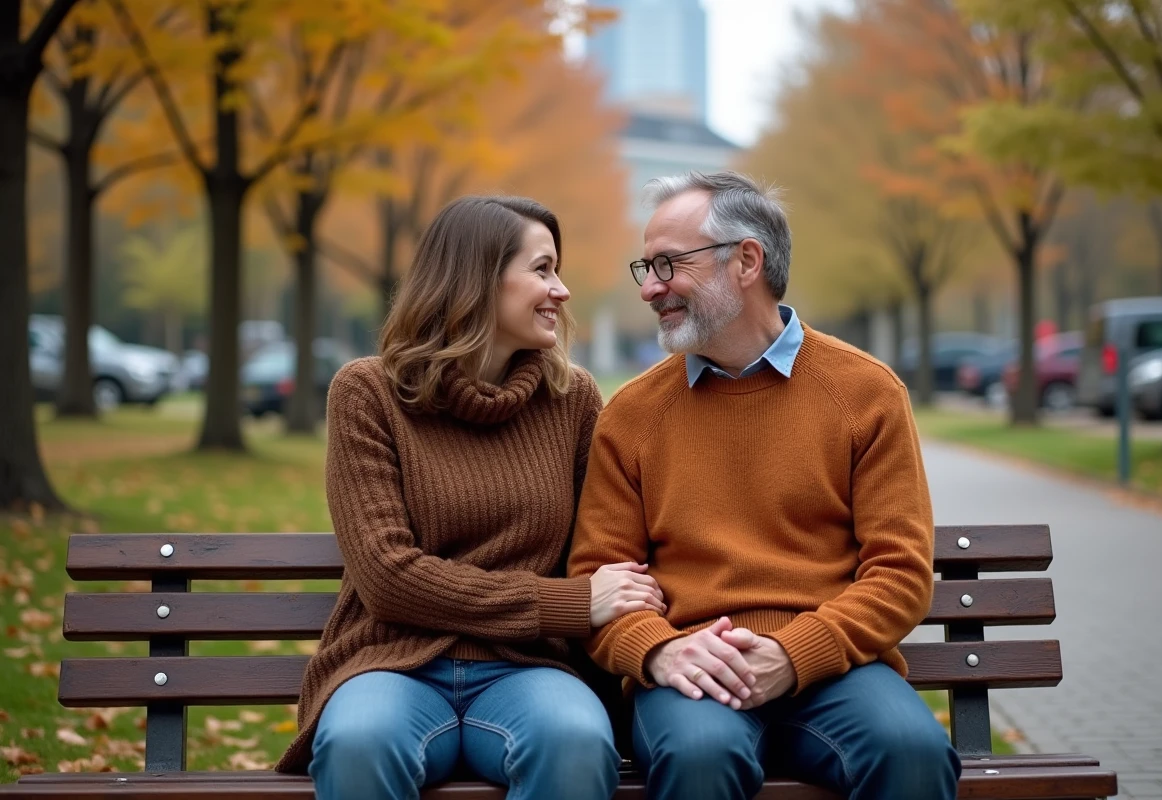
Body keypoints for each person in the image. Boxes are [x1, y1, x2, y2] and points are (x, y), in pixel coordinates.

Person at [567, 171, 961, 800]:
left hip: (836, 669)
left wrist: (795, 654)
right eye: (646, 267)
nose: (651, 288)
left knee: (912, 752)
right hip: (689, 669)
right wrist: (659, 652)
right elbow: (600, 580)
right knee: (700, 756)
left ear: (746, 260)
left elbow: (900, 573)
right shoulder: (632, 414)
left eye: (668, 264)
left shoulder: (866, 393)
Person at [276, 195, 667, 800]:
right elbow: (387, 577)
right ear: (477, 280)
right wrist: (563, 603)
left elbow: (602, 551)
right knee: (359, 743)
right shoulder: (368, 394)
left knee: (575, 741)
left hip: (529, 670)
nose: (561, 291)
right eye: (542, 269)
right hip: (392, 664)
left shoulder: (574, 401)